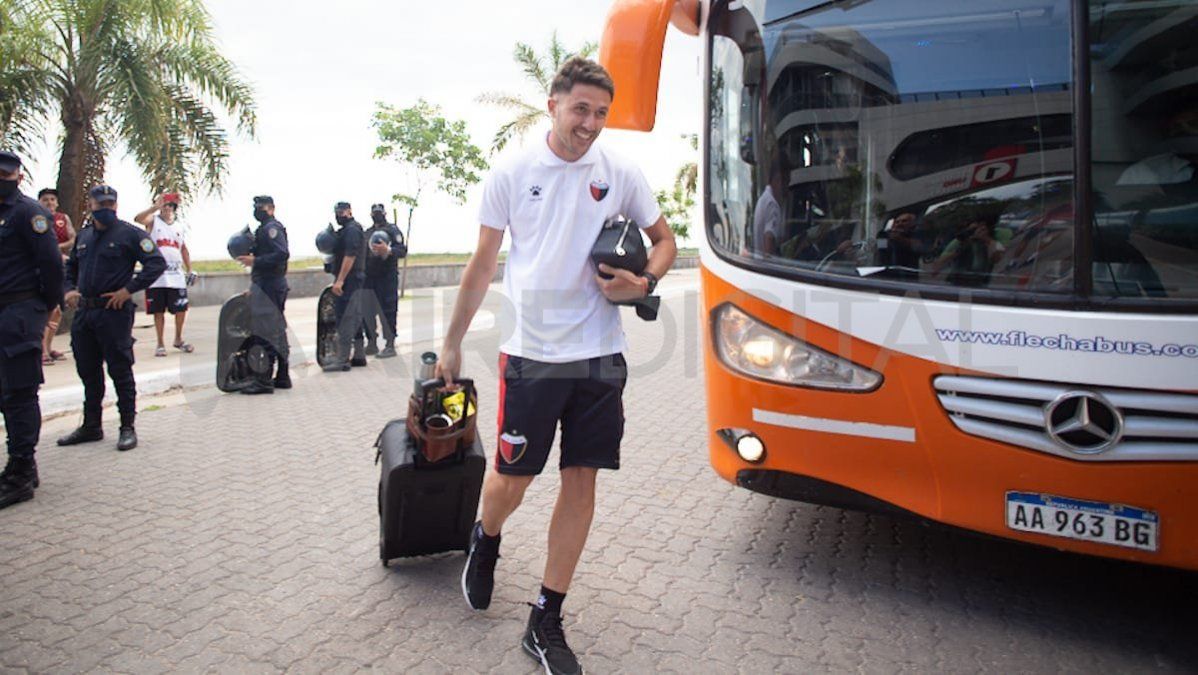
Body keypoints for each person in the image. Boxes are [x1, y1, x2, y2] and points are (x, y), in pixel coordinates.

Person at [442, 57, 677, 675]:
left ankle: (545, 618)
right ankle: (486, 536)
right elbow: (482, 264)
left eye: (601, 113)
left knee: (581, 482)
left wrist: (644, 282)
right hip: (532, 355)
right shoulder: (513, 173)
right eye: (581, 110)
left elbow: (665, 241)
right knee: (511, 482)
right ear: (553, 106)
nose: (591, 124)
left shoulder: (619, 171)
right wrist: (452, 343)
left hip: (600, 357)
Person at [58, 185, 165, 452]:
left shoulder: (131, 234)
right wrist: (68, 290)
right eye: (100, 204)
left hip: (114, 314)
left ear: (115, 205)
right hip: (85, 313)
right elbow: (70, 268)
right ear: (91, 205)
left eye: (110, 204)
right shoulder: (84, 236)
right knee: (88, 371)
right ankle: (91, 425)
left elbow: (156, 263)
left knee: (120, 371)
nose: (105, 208)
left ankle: (127, 427)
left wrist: (129, 290)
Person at [0, 152, 65, 509]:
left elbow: (51, 264)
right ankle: (22, 463)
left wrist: (46, 305)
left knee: (20, 392)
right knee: (4, 393)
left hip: (20, 311)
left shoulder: (30, 213)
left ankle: (21, 472)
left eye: (5, 174)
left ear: (18, 177)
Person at [234, 195, 291, 394]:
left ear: (272, 208)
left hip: (270, 286)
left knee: (265, 332)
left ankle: (264, 380)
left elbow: (282, 254)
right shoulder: (264, 229)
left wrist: (255, 261)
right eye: (256, 207)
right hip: (268, 285)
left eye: (262, 207)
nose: (258, 210)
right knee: (277, 331)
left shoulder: (271, 228)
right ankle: (282, 376)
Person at [134, 194, 194, 357]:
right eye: (164, 206)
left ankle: (178, 338)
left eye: (170, 206)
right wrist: (154, 207)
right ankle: (160, 343)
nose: (167, 208)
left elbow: (183, 248)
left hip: (176, 275)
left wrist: (189, 268)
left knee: (181, 308)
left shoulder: (179, 227)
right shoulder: (153, 221)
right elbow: (138, 219)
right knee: (158, 310)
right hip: (157, 277)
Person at [322, 201, 367, 372]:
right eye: (337, 212)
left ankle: (342, 359)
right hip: (353, 278)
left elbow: (350, 256)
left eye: (342, 212)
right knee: (354, 315)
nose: (339, 215)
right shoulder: (347, 230)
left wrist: (340, 280)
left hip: (350, 278)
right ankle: (359, 355)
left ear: (349, 211)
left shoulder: (352, 230)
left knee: (345, 317)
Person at [37, 188, 74, 365]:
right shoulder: (36, 219)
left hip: (60, 267)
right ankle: (42, 350)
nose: (49, 202)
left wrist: (58, 249)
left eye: (52, 199)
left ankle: (49, 346)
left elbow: (72, 238)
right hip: (41, 268)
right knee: (47, 309)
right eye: (45, 199)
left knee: (58, 310)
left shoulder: (63, 218)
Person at [363, 203, 405, 359]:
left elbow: (402, 250)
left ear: (384, 213)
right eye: (374, 213)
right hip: (369, 278)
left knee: (387, 311)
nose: (377, 215)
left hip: (387, 278)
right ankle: (372, 343)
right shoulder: (367, 233)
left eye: (379, 213)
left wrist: (388, 250)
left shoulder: (392, 230)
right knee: (367, 312)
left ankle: (390, 344)